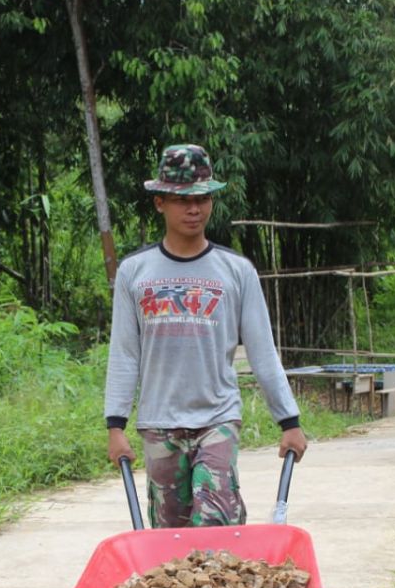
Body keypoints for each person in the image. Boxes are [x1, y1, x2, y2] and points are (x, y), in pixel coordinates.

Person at [104, 143, 307, 528]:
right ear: (160, 202)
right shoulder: (135, 272)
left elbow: (263, 353)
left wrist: (289, 421)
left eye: (202, 198)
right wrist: (115, 427)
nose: (193, 209)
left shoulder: (236, 271)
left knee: (218, 521)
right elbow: (125, 355)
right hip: (158, 421)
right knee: (170, 534)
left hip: (217, 417)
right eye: (182, 200)